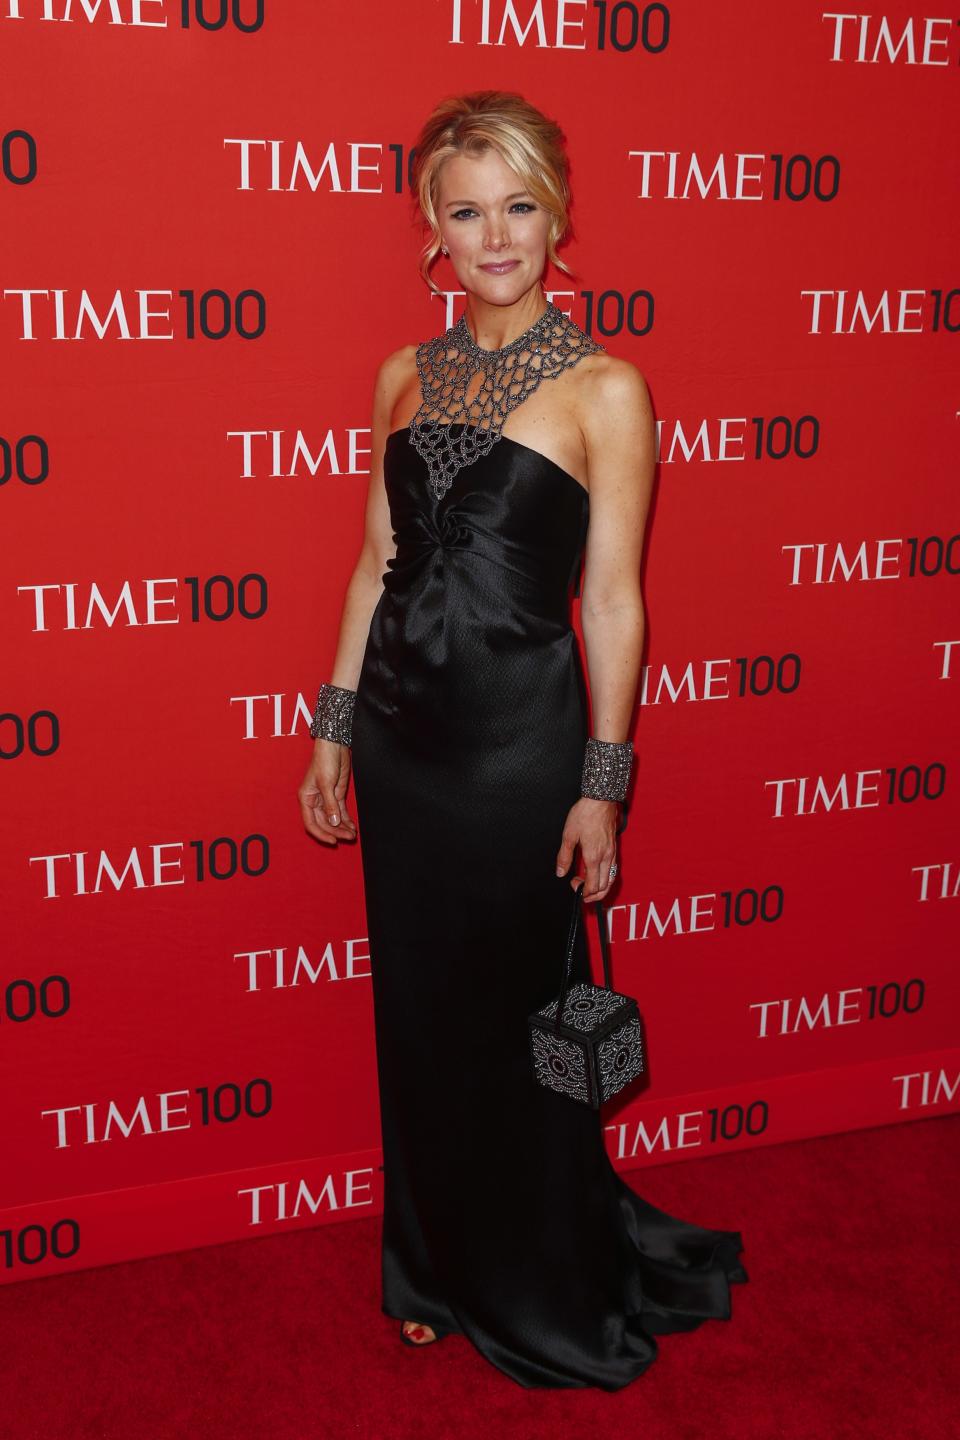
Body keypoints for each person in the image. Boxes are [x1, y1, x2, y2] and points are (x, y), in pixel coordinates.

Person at [298, 89, 747, 1390]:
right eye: (466, 209)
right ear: (431, 232)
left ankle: (546, 1280)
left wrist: (602, 786)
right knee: (425, 1024)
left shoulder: (608, 386)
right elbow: (373, 568)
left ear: (557, 218)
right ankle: (433, 1268)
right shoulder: (400, 374)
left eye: (520, 206)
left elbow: (611, 599)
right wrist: (332, 727)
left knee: (518, 1023)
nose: (496, 235)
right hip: (401, 745)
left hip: (517, 755)